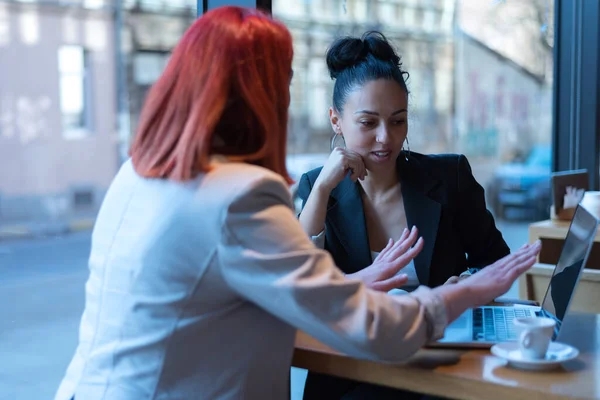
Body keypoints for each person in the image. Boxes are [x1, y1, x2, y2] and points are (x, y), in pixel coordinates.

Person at [54, 8, 540, 400]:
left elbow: (242, 301)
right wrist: (465, 294)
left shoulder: (137, 173)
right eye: (282, 83)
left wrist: (351, 283)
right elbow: (371, 326)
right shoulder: (239, 196)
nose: (286, 99)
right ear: (256, 96)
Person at [297, 32, 512, 399]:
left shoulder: (449, 178)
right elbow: (301, 285)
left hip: (441, 367)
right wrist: (320, 192)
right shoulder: (318, 188)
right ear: (336, 120)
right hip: (354, 370)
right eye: (368, 123)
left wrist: (465, 285)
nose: (386, 138)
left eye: (398, 121)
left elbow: (497, 264)